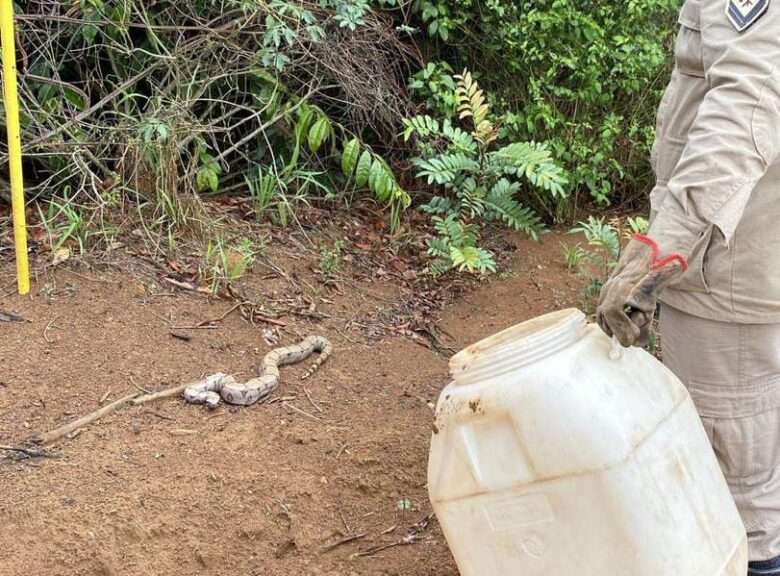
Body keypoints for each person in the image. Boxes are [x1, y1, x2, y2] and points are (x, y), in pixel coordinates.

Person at [596, 1, 780, 574]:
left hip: (729, 276)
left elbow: (746, 108)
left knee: (736, 494)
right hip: (751, 259)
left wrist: (662, 249)